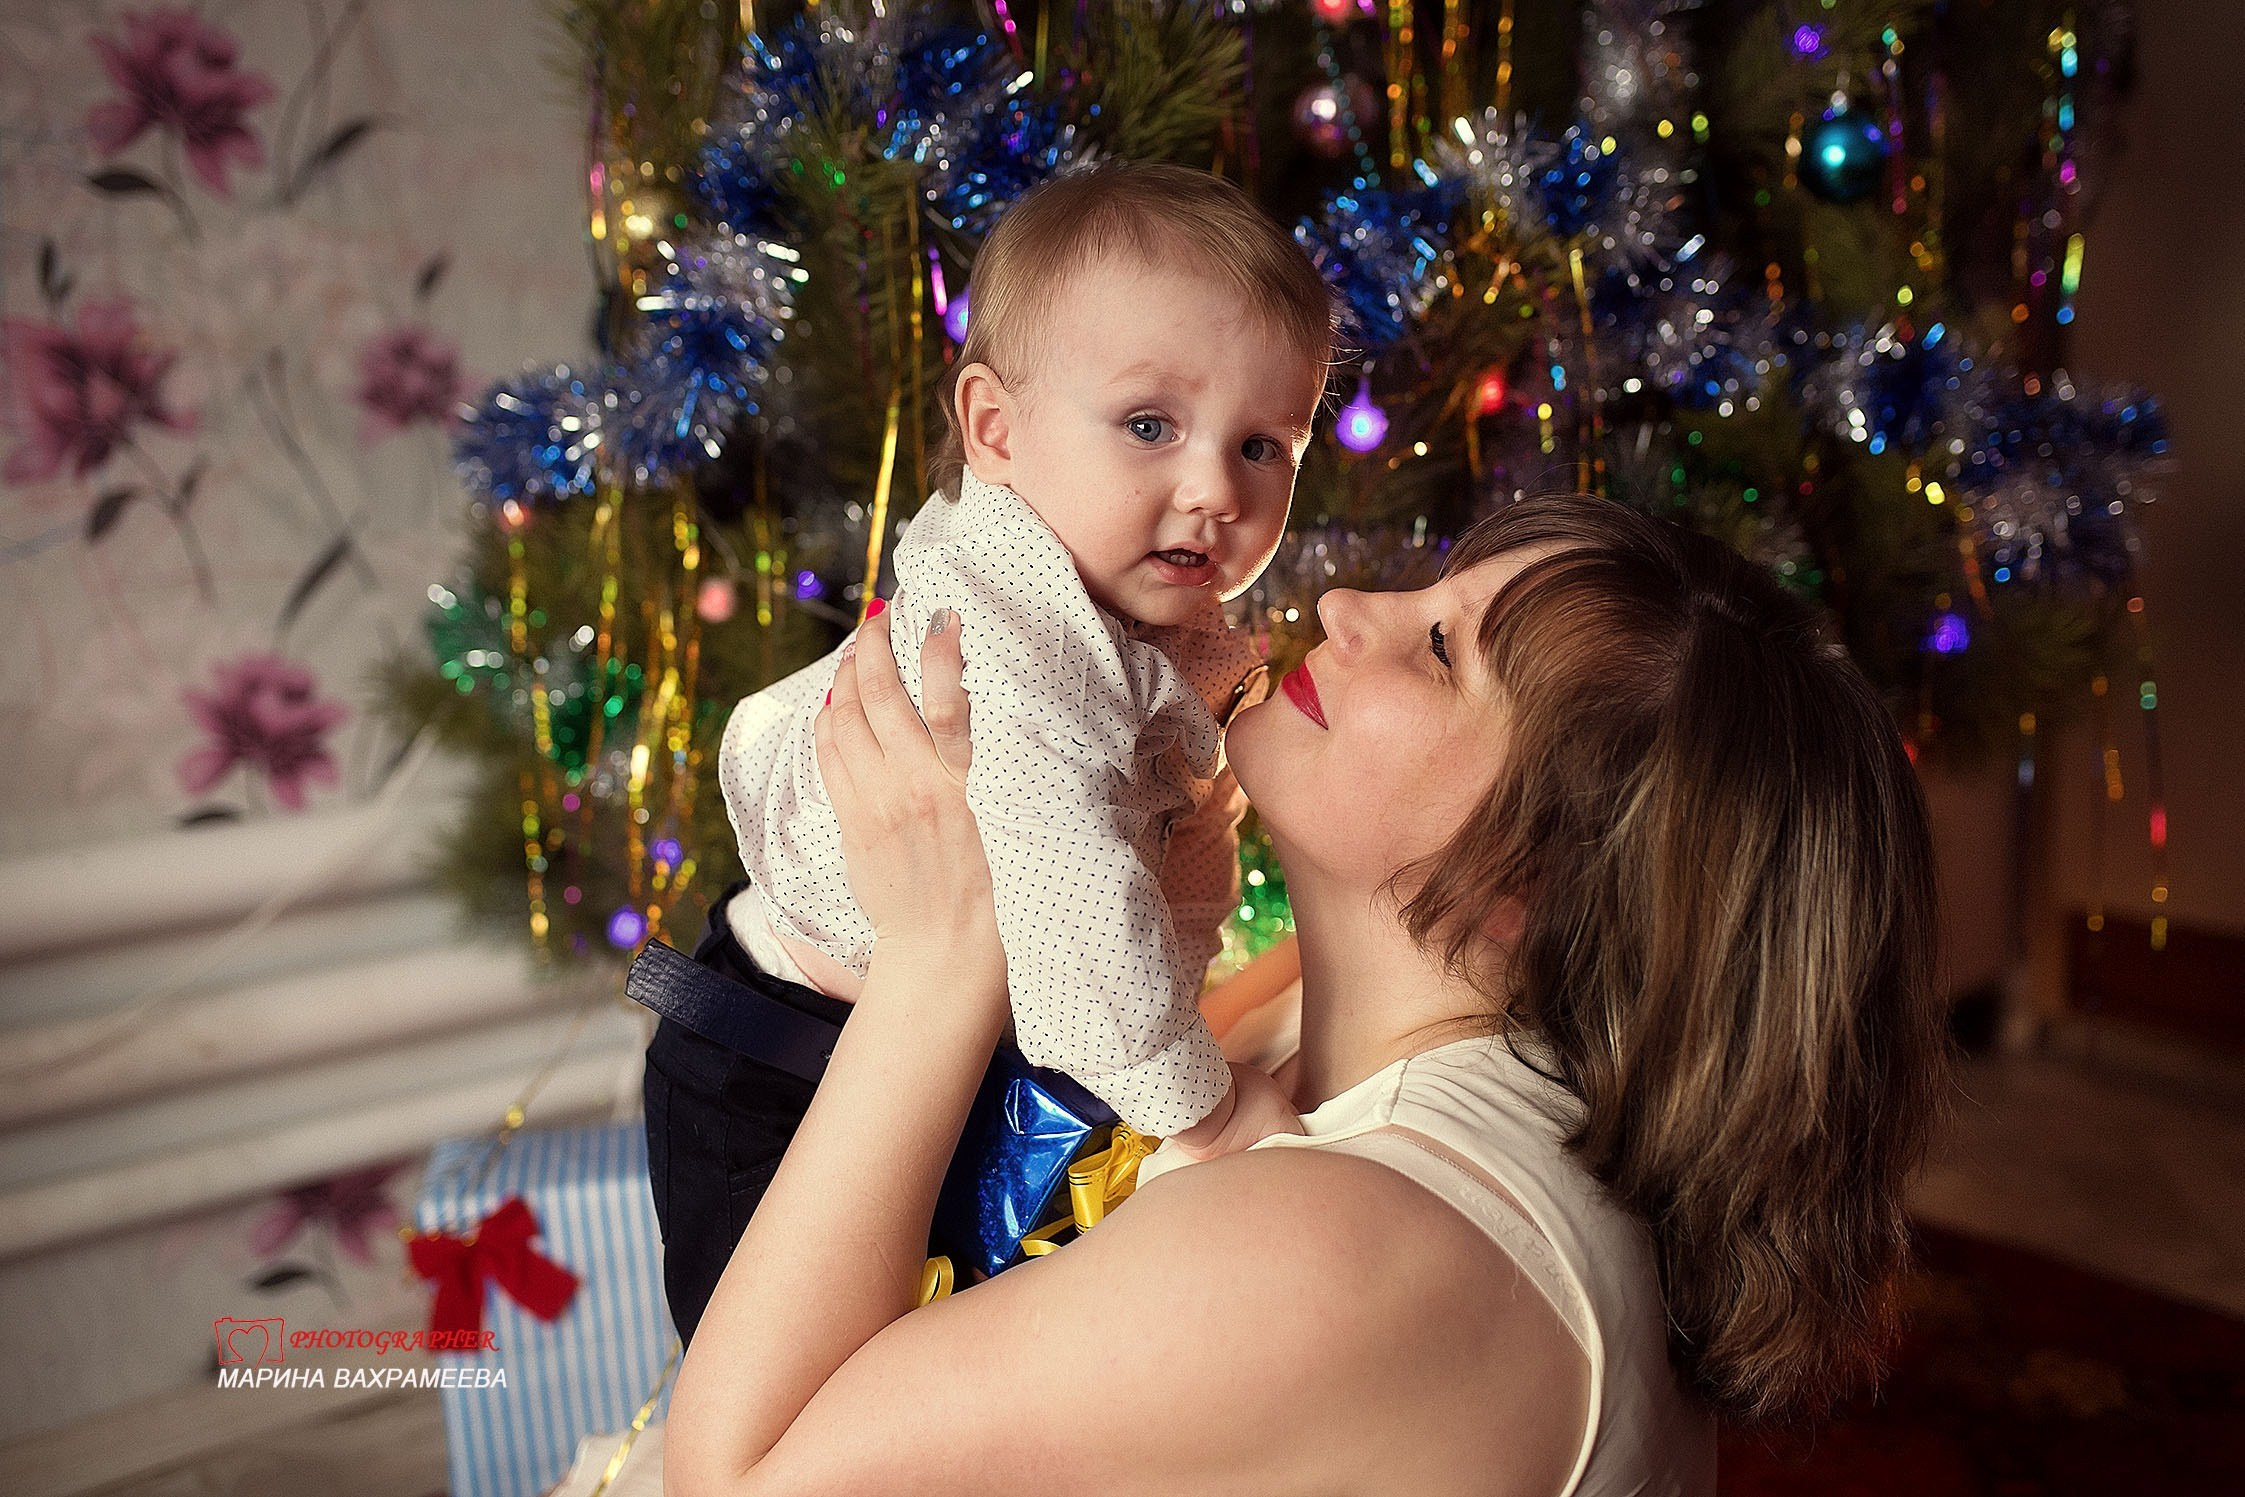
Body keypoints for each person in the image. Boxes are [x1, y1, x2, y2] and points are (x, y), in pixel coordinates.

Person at [659, 494, 1951, 1496]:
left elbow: (733, 1482)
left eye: (1439, 651)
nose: (1345, 605)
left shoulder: (1348, 1248)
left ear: (1539, 879)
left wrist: (942, 953)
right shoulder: (1327, 1028)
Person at [640, 160, 1332, 1341]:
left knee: (966, 1333)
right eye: (1149, 425)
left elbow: (1162, 846)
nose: (1215, 487)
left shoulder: (1126, 614)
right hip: (775, 1075)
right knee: (812, 1382)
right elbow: (1077, 896)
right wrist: (1205, 1116)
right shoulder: (1015, 650)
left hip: (936, 1049)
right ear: (995, 431)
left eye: (1266, 444)